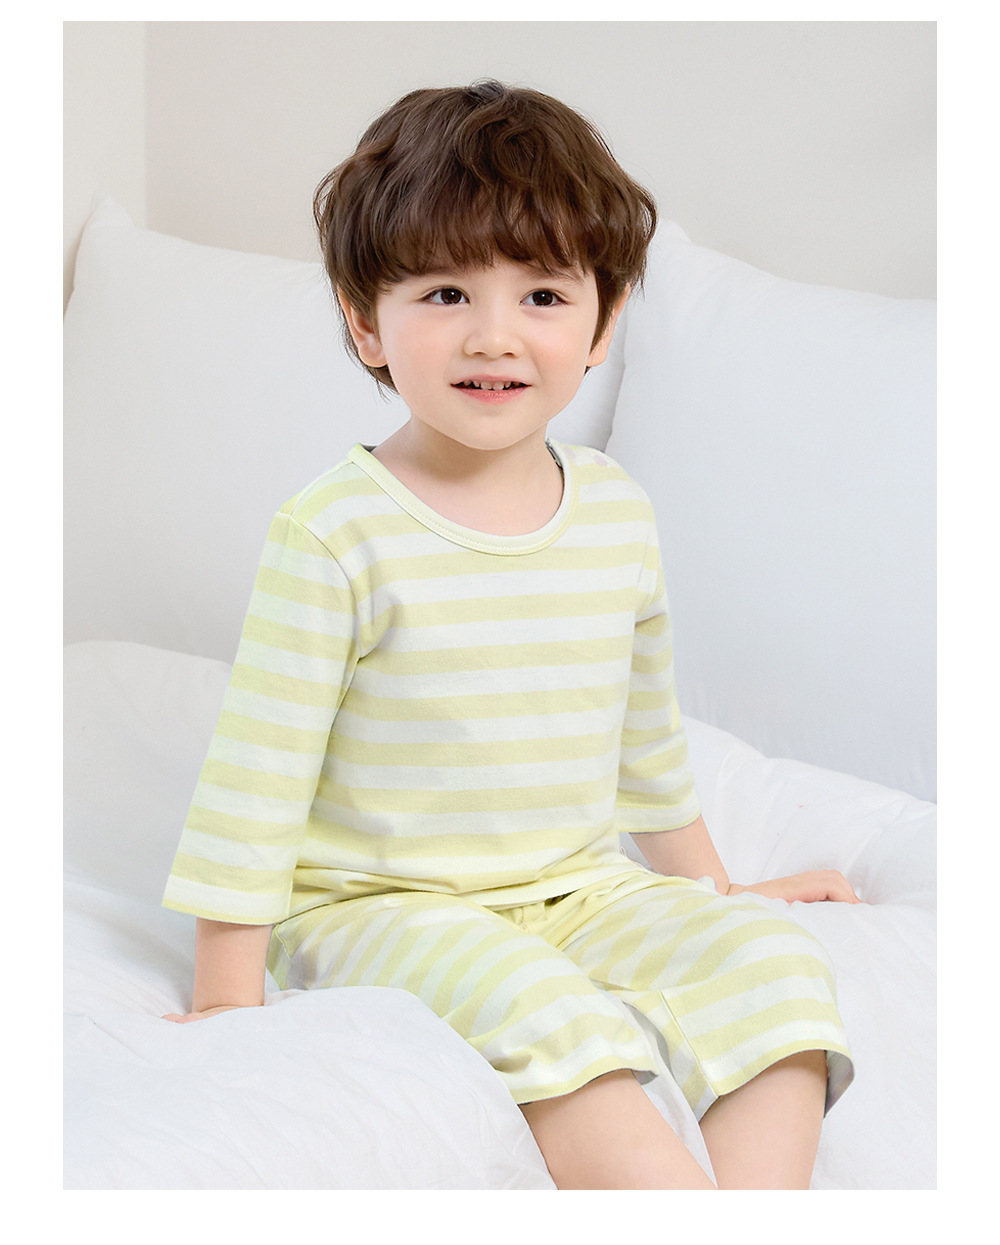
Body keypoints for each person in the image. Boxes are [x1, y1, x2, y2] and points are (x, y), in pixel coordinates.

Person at [161, 79, 858, 1190]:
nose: (494, 336)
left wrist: (717, 896)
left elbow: (644, 746)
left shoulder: (616, 513)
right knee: (547, 1015)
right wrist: (227, 1005)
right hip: (382, 908)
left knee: (774, 969)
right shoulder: (336, 532)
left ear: (603, 321)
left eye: (542, 294)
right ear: (364, 319)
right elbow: (253, 790)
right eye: (445, 292)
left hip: (577, 888)